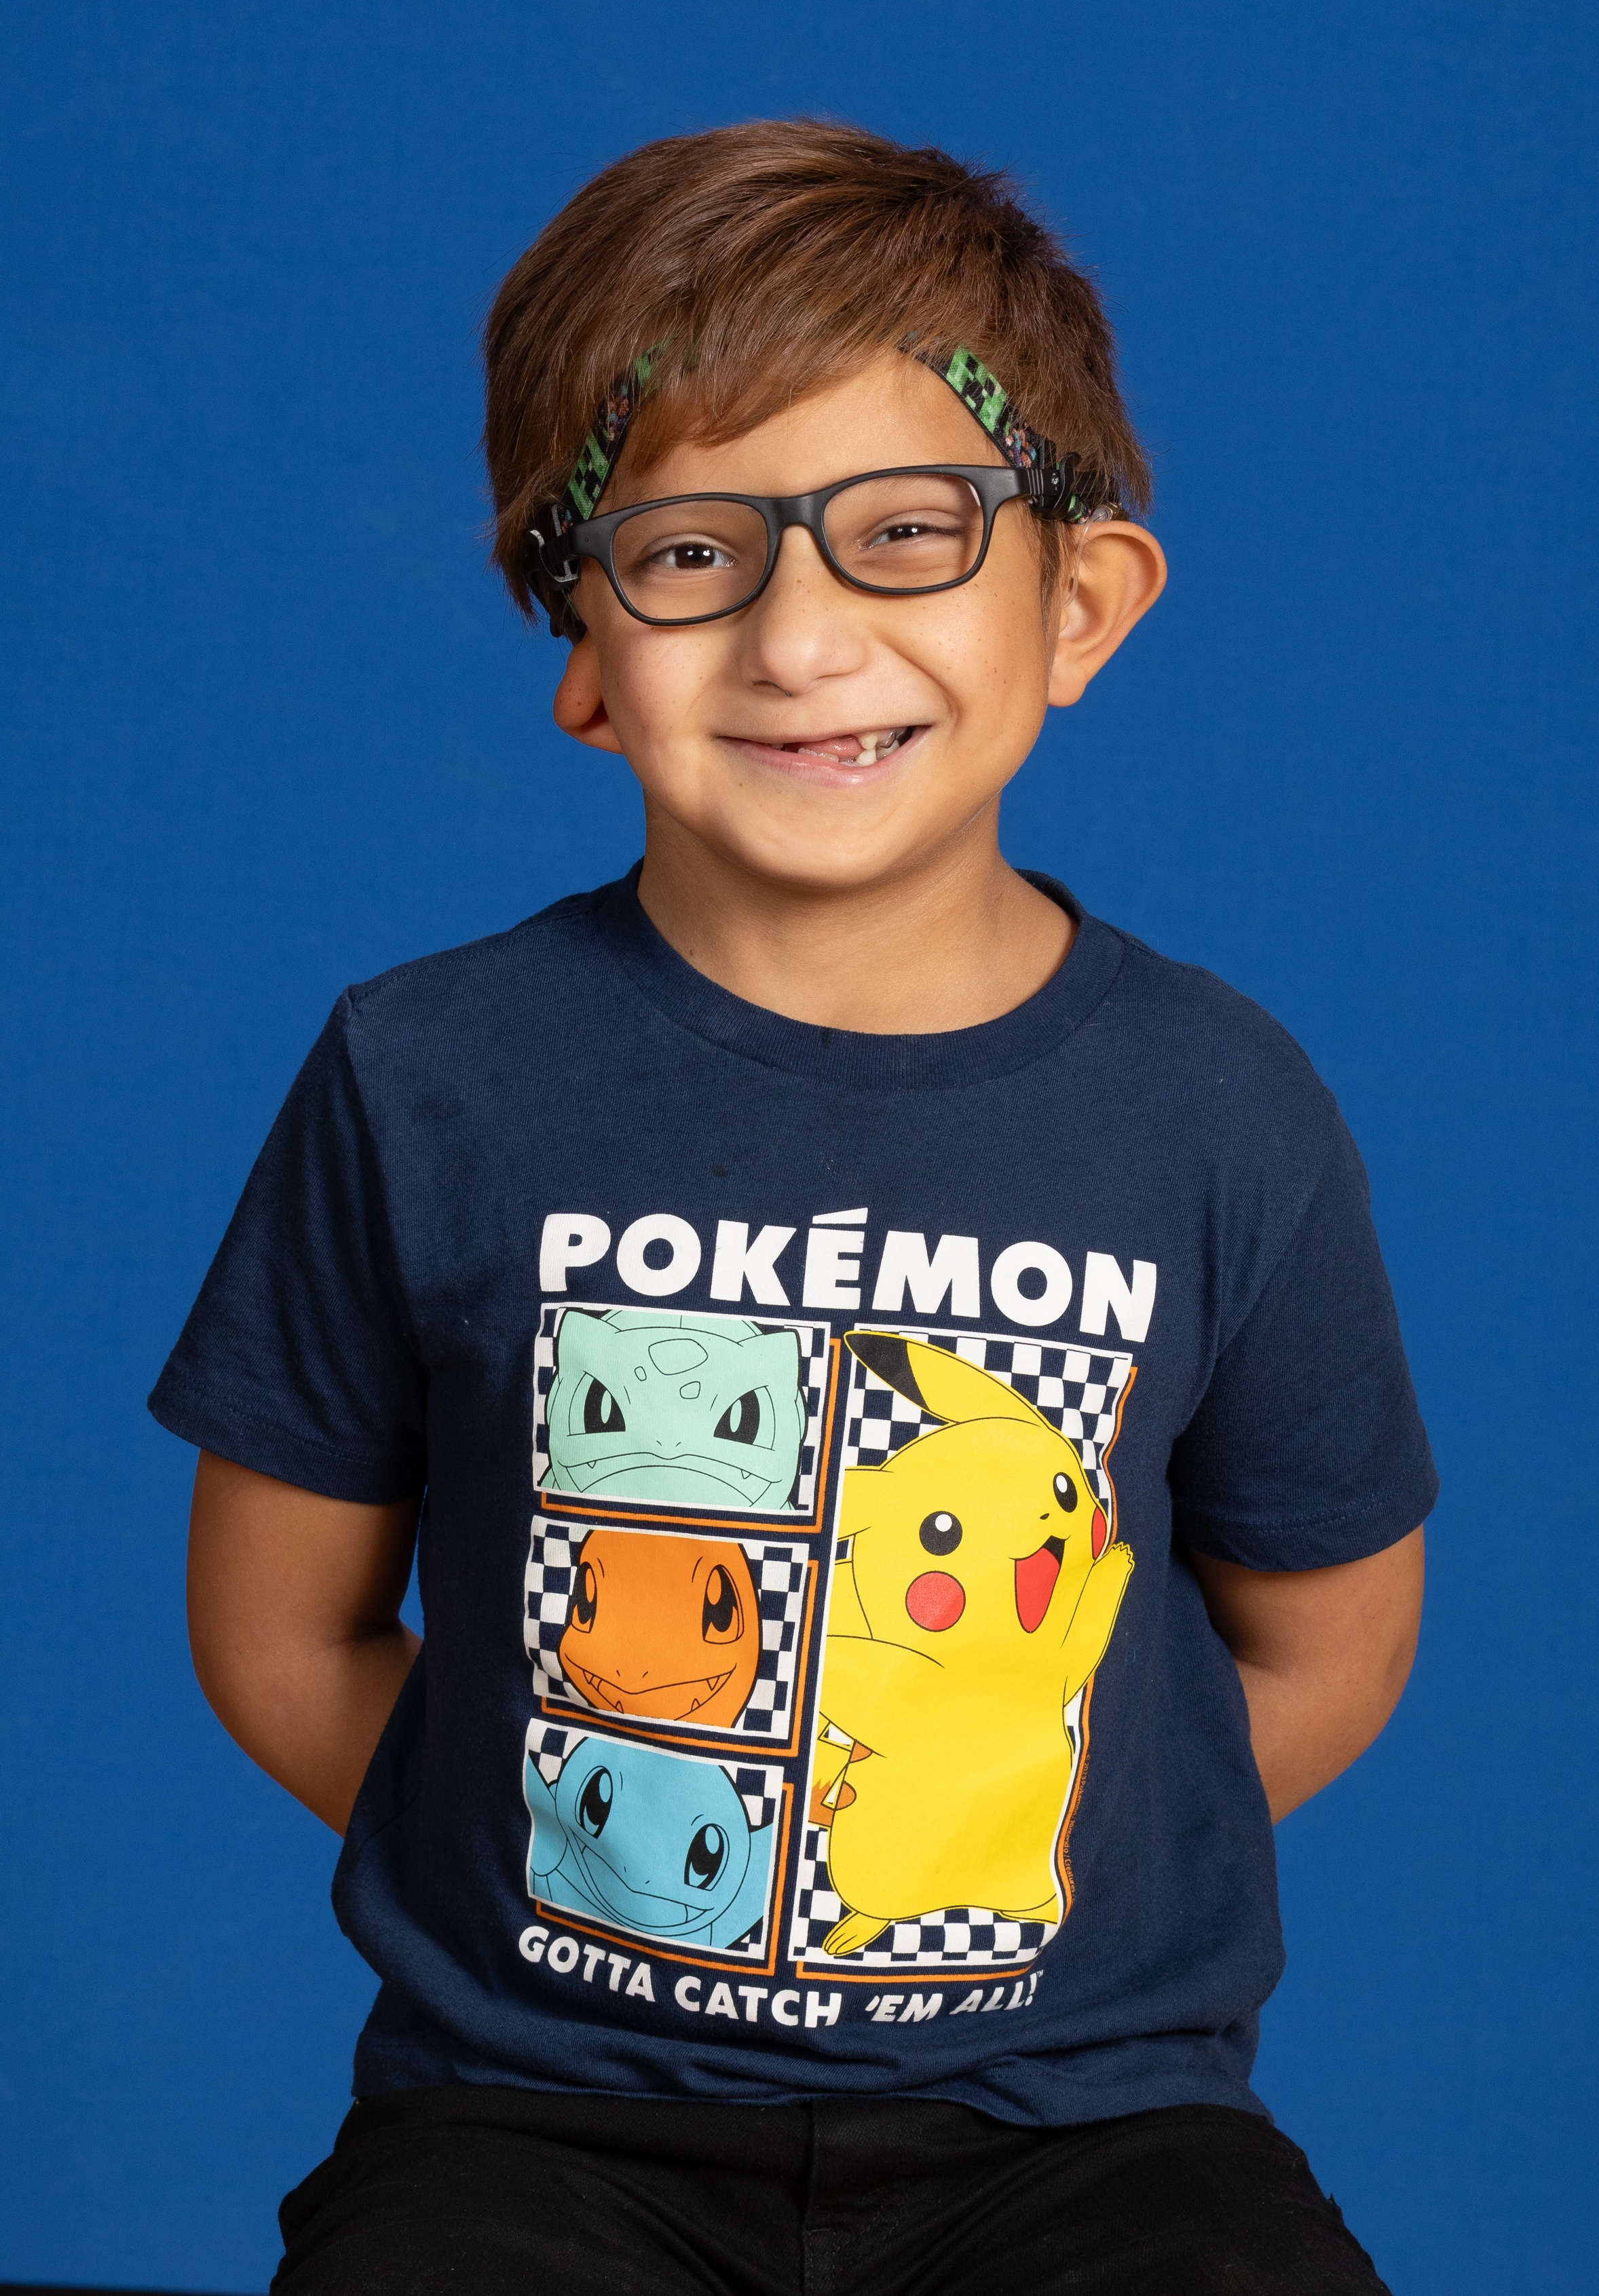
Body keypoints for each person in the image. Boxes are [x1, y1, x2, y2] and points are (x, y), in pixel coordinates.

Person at [155, 119, 1436, 2294]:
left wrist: (982, 1821)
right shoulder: (421, 1073)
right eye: (687, 551)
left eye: (910, 530)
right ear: (582, 640)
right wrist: (582, 1845)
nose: (803, 635)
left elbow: (1328, 1640)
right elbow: (281, 1633)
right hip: (533, 2123)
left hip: (1088, 2130)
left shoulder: (1227, 1108)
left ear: (1080, 605)